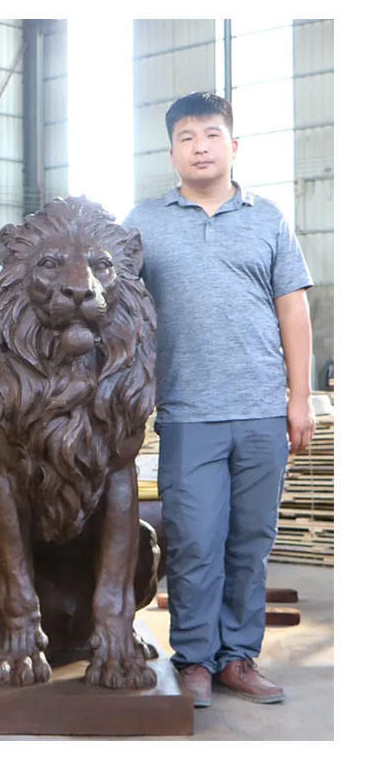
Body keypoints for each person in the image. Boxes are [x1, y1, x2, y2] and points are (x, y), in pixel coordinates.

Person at [123, 91, 315, 708]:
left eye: (210, 135)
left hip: (262, 412)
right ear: (171, 152)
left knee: (249, 544)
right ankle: (196, 660)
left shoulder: (268, 219)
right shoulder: (143, 223)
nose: (199, 147)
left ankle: (238, 658)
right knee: (194, 542)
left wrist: (300, 398)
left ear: (233, 146)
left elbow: (294, 311)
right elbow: (117, 309)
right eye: (186, 137)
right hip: (187, 414)